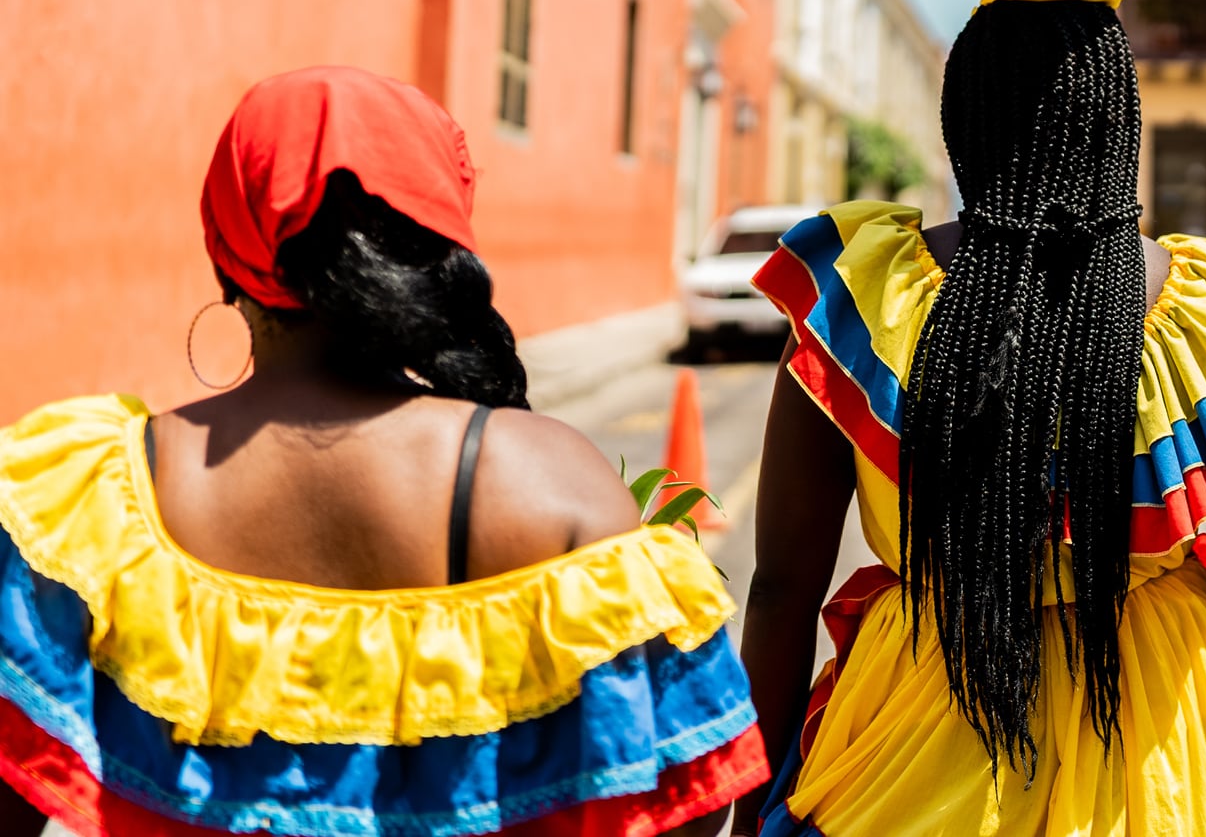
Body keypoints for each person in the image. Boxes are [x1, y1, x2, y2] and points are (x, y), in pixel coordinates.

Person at [0, 66, 765, 837]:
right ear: (441, 254)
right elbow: (690, 803)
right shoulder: (556, 485)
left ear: (227, 253)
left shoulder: (90, 501)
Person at [733, 0, 1206, 837]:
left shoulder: (866, 297)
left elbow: (780, 591)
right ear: (1120, 126)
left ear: (961, 123)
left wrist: (750, 813)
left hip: (914, 750)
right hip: (1156, 759)